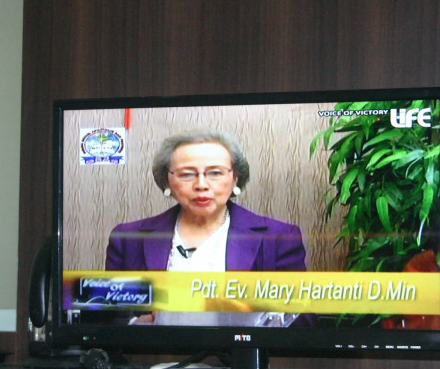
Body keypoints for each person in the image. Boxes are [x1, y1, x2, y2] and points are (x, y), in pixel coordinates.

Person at [105, 129, 306, 325]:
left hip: (240, 348)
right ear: (167, 181)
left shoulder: (279, 237)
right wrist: (137, 323)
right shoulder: (128, 238)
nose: (201, 185)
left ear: (235, 178)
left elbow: (302, 318)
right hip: (155, 348)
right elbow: (109, 317)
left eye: (215, 173)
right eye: (187, 174)